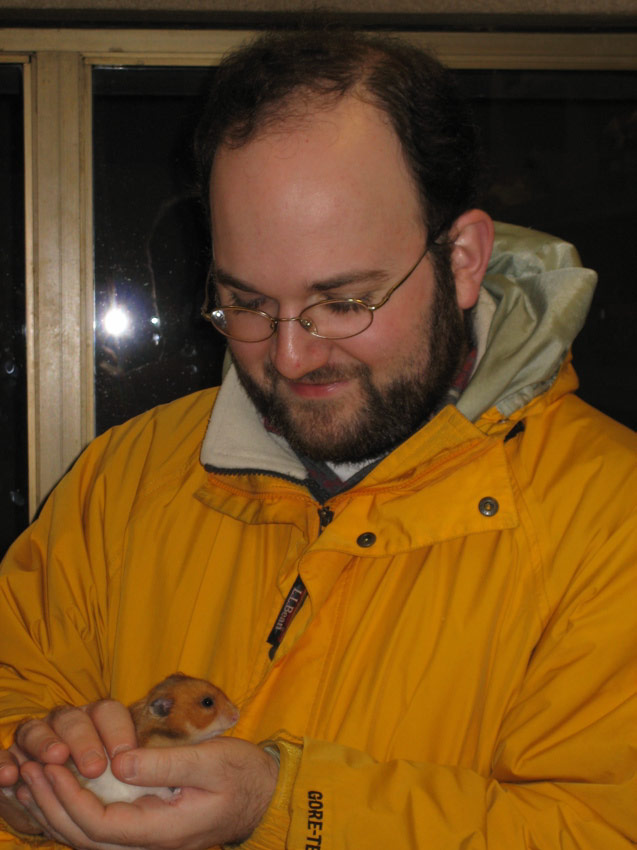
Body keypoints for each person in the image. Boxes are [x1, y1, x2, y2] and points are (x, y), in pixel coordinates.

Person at [1, 25, 635, 850]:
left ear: (463, 258)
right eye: (248, 302)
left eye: (343, 302)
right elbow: (16, 688)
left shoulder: (612, 521)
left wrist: (289, 808)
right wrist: (29, 786)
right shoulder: (121, 479)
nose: (289, 356)